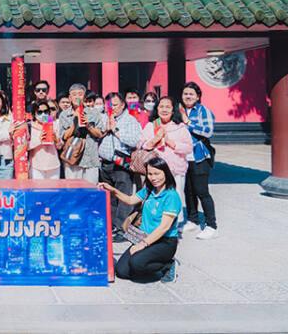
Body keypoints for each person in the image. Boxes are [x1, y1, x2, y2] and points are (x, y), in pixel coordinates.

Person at [99, 156, 181, 283]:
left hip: (164, 241)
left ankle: (167, 265)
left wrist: (142, 245)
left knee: (137, 263)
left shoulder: (171, 196)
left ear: (166, 173)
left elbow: (164, 227)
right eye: (150, 174)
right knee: (121, 271)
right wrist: (112, 190)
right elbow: (130, 200)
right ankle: (146, 260)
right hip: (145, 237)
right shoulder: (149, 190)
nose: (153, 178)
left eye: (157, 173)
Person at [139, 96, 193, 227]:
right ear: (157, 109)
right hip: (155, 171)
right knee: (155, 198)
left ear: (173, 110)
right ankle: (155, 226)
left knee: (174, 197)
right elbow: (142, 145)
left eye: (168, 107)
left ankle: (173, 226)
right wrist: (155, 139)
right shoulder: (151, 126)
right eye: (161, 106)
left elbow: (188, 147)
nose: (164, 110)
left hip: (175, 171)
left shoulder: (180, 127)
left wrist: (170, 142)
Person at [99, 92, 142, 241]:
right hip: (105, 163)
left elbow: (134, 140)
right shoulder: (104, 117)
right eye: (109, 105)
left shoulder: (130, 120)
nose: (112, 108)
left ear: (123, 105)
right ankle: (112, 225)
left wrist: (116, 130)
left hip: (121, 164)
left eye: (115, 105)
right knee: (110, 197)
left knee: (123, 196)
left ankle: (122, 228)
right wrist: (106, 128)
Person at [181, 82, 218, 239]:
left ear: (198, 96)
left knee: (202, 191)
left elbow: (208, 132)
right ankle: (193, 220)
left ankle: (211, 226)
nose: (188, 96)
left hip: (199, 157)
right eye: (185, 94)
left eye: (191, 94)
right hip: (184, 157)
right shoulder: (180, 111)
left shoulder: (204, 111)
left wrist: (188, 122)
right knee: (188, 191)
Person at [57, 84, 106, 184]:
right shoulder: (64, 114)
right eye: (74, 94)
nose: (77, 97)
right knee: (73, 189)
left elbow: (100, 134)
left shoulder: (94, 112)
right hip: (72, 159)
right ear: (70, 98)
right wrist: (74, 121)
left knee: (91, 189)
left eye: (80, 94)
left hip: (91, 158)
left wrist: (88, 125)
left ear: (84, 97)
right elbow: (64, 136)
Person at [28, 100, 61, 179]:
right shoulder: (30, 126)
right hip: (36, 166)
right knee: (38, 187)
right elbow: (26, 147)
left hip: (53, 165)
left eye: (46, 111)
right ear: (34, 114)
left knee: (54, 187)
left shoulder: (54, 125)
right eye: (39, 112)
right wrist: (39, 140)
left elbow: (59, 146)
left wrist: (56, 139)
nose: (43, 114)